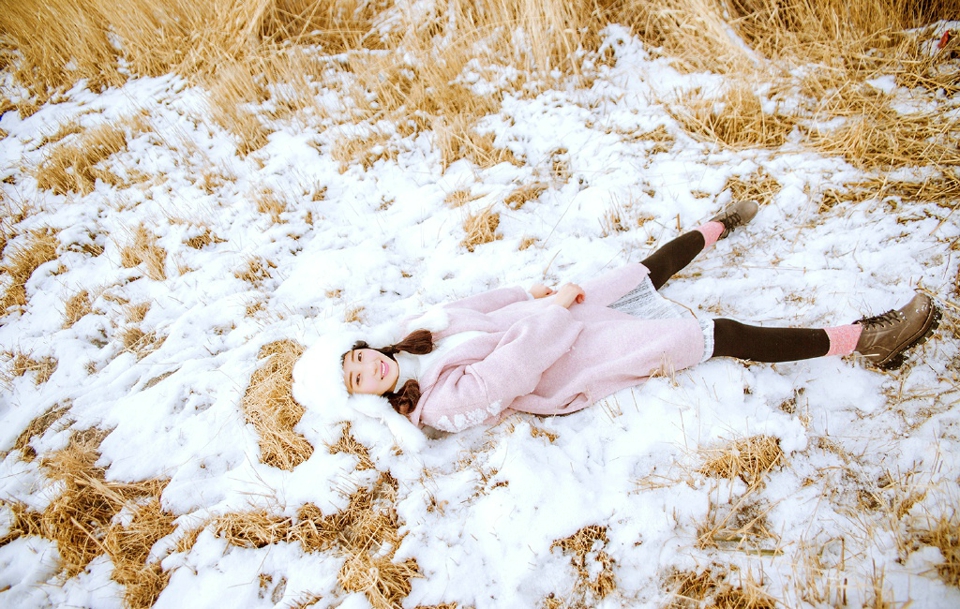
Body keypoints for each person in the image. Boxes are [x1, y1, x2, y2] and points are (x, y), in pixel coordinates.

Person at [292, 201, 941, 435]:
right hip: (568, 356)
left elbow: (477, 304)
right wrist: (550, 309)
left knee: (638, 274)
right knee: (707, 335)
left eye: (354, 356)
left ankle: (715, 224)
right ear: (360, 400)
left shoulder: (409, 336)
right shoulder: (431, 406)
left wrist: (531, 287)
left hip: (554, 311)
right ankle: (866, 340)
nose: (366, 366)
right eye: (355, 378)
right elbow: (510, 371)